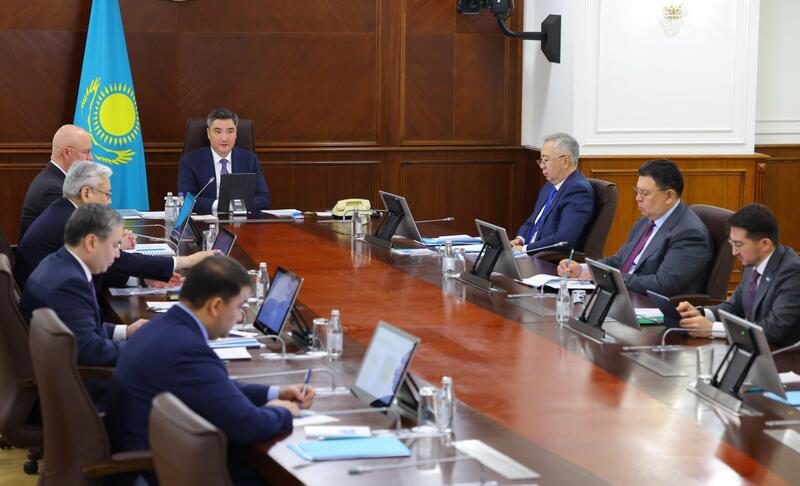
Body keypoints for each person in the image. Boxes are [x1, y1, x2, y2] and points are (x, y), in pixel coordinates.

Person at [105, 256, 313, 485]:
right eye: (238, 307)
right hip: (155, 470)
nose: (240, 317)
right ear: (216, 306)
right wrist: (283, 411)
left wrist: (274, 393)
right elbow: (248, 425)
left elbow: (215, 387)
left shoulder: (162, 326)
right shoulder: (187, 349)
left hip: (154, 455)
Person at [14, 161, 214, 290]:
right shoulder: (73, 221)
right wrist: (185, 261)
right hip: (54, 304)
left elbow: (103, 267)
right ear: (86, 193)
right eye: (107, 195)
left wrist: (141, 280)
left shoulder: (64, 209)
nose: (109, 202)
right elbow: (118, 262)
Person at [19, 204, 146, 405]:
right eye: (115, 245)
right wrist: (145, 348)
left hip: (68, 376)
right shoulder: (68, 284)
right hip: (78, 393)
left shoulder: (60, 263)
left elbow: (78, 330)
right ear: (91, 242)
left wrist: (125, 331)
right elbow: (90, 350)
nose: (117, 254)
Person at [559, 158, 713, 296]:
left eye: (644, 193)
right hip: (625, 294)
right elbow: (619, 261)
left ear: (669, 196)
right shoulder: (648, 219)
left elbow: (662, 285)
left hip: (650, 306)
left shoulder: (689, 234)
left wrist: (607, 277)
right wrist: (583, 269)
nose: (637, 198)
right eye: (637, 191)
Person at [677, 204, 800, 346]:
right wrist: (700, 313)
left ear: (765, 244)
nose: (734, 252)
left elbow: (773, 330)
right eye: (732, 243)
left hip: (783, 354)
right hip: (755, 349)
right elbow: (734, 307)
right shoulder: (752, 262)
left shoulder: (792, 273)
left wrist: (713, 329)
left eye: (739, 244)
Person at [511, 133, 594, 253]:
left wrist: (524, 249)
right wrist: (520, 239)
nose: (541, 166)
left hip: (545, 258)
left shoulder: (578, 191)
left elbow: (564, 239)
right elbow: (532, 221)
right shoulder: (550, 186)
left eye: (546, 160)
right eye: (541, 160)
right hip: (527, 252)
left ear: (565, 161)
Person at [177, 108, 271, 214]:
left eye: (230, 131)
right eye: (218, 131)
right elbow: (186, 199)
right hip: (206, 220)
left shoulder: (249, 160)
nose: (224, 138)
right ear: (208, 133)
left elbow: (264, 199)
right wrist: (221, 205)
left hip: (242, 220)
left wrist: (237, 206)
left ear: (236, 133)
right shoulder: (190, 161)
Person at [19, 124, 93, 237]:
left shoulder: (54, 179)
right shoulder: (53, 189)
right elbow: (74, 237)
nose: (91, 158)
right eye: (86, 152)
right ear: (67, 153)